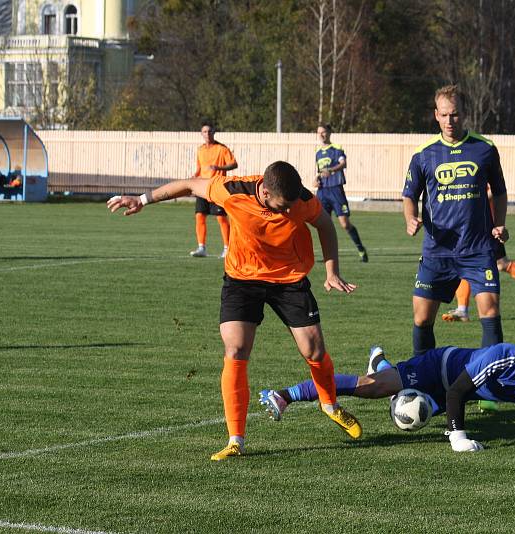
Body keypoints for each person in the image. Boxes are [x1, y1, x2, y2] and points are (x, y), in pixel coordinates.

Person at [107, 160, 362, 459]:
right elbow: (190, 184)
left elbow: (324, 224)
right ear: (265, 192)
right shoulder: (232, 190)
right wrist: (143, 199)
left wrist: (332, 271)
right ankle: (235, 440)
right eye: (282, 206)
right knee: (236, 349)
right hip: (242, 278)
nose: (289, 211)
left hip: (289, 278)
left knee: (314, 350)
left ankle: (329, 404)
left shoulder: (300, 200)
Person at [259, 338, 515, 458]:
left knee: (409, 408)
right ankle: (285, 395)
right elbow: (458, 391)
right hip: (439, 368)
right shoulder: (502, 357)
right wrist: (458, 437)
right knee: (373, 388)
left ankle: (380, 361)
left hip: (453, 392)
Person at [403, 84, 508, 355]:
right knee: (422, 318)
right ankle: (423, 381)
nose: (450, 121)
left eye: (456, 114)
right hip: (438, 250)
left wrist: (500, 223)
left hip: (477, 248)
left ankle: (489, 390)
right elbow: (409, 194)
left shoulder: (484, 148)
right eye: (445, 115)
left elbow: (499, 191)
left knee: (490, 310)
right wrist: (410, 218)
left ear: (465, 114)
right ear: (436, 115)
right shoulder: (423, 153)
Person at [442, 250, 515, 321]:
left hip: (488, 226)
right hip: (468, 227)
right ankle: (462, 310)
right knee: (464, 263)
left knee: (501, 264)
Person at [315, 124, 368, 262]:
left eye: (323, 132)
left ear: (329, 133)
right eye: (319, 132)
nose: (321, 135)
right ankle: (328, 257)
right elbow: (320, 171)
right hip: (322, 192)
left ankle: (361, 249)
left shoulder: (336, 149)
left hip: (336, 190)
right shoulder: (318, 152)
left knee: (344, 224)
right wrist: (316, 179)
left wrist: (331, 170)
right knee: (323, 225)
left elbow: (343, 163)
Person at [189, 121, 236, 258]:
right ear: (201, 134)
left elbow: (234, 164)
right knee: (199, 216)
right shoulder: (200, 149)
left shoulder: (222, 149)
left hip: (217, 187)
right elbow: (199, 169)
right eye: (204, 131)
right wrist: (194, 177)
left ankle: (227, 248)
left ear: (214, 133)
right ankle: (201, 247)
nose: (207, 134)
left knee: (221, 218)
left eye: (210, 131)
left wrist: (219, 168)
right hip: (202, 187)